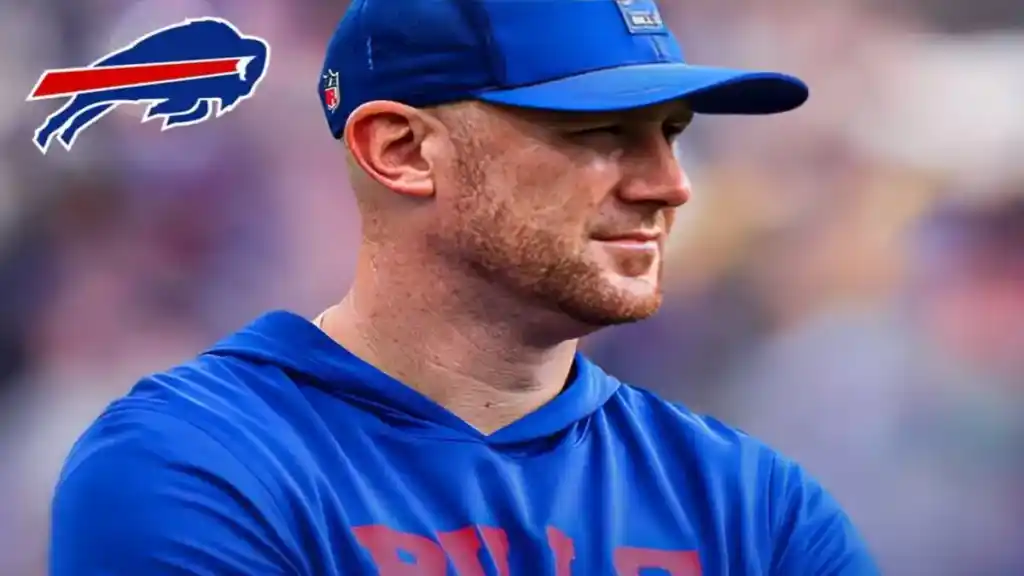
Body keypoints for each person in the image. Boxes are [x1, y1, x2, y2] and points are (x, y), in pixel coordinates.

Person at [49, 0, 877, 574]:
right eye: (598, 134)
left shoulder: (752, 501)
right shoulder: (199, 464)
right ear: (401, 151)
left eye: (669, 134)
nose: (670, 184)